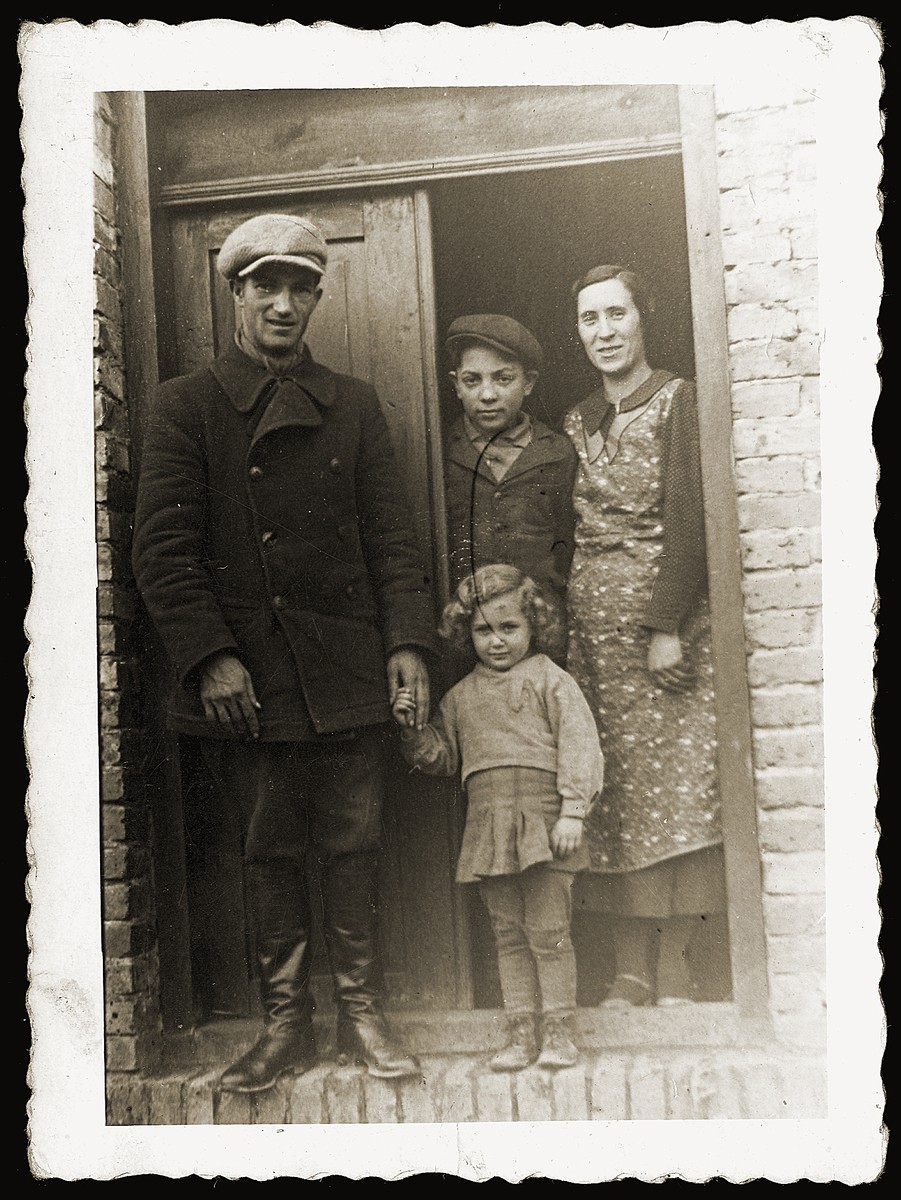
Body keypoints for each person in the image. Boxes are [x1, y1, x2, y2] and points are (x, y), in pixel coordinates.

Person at [132, 212, 437, 1091]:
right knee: (268, 847)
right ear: (236, 292)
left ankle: (362, 1017)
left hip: (343, 663)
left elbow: (392, 539)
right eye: (266, 285)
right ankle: (284, 1026)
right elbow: (162, 550)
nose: (284, 303)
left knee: (354, 841)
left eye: (301, 286)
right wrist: (210, 656)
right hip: (251, 674)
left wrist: (409, 641)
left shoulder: (353, 402)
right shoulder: (184, 406)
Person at [563, 263, 727, 1009]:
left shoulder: (675, 401)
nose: (604, 331)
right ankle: (630, 969)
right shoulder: (575, 421)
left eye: (616, 314)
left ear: (642, 318)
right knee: (614, 800)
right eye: (589, 319)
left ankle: (677, 970)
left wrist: (665, 626)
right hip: (592, 647)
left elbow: (692, 519)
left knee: (681, 797)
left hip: (659, 641)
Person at [393, 564, 604, 1071]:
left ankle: (559, 1031)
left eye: (509, 628)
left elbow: (581, 747)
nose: (497, 641)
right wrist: (413, 730)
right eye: (484, 631)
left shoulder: (552, 681)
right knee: (507, 934)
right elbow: (442, 759)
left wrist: (573, 812)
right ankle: (520, 1032)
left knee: (549, 931)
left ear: (533, 625)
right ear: (467, 635)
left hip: (547, 826)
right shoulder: (460, 696)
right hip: (489, 828)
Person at [443, 314, 578, 640]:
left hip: (540, 629)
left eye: (503, 379)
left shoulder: (557, 453)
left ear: (528, 382)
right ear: (456, 385)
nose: (487, 394)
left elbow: (568, 543)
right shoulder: (440, 451)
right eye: (472, 380)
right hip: (466, 631)